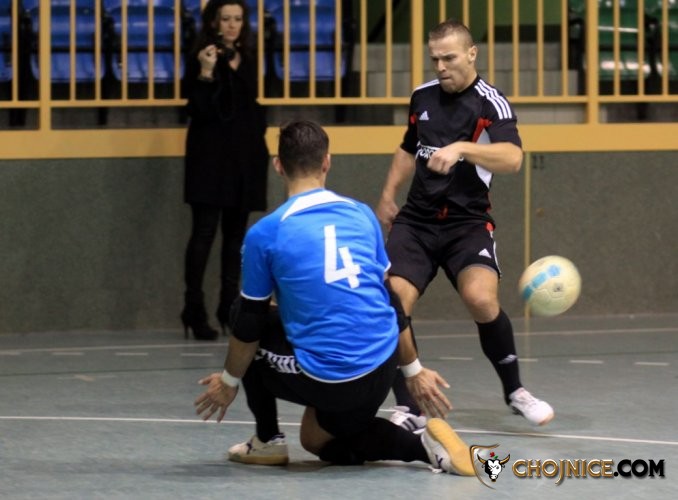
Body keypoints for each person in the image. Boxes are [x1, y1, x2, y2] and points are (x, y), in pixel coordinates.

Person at [194, 120, 474, 475]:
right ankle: (424, 447)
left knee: (244, 314)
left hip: (335, 379)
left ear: (278, 165)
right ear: (327, 161)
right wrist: (414, 371)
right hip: (383, 365)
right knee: (316, 438)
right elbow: (390, 299)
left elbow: (249, 322)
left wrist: (228, 382)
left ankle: (267, 440)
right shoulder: (362, 215)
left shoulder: (266, 232)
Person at [376, 19, 554, 428]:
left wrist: (461, 148)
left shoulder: (491, 103)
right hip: (416, 223)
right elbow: (408, 148)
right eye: (434, 59)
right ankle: (408, 405)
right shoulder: (422, 96)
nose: (441, 67)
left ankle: (515, 391)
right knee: (392, 304)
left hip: (467, 223)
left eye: (449, 58)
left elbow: (513, 158)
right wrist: (387, 194)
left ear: (472, 54)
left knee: (481, 299)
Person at [181, 0, 269, 340]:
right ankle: (193, 308)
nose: (232, 25)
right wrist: (206, 72)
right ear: (214, 23)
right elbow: (198, 110)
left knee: (236, 238)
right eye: (226, 19)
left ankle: (228, 308)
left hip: (244, 155)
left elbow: (249, 104)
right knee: (204, 232)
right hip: (209, 155)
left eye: (238, 19)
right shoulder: (201, 56)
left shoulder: (247, 57)